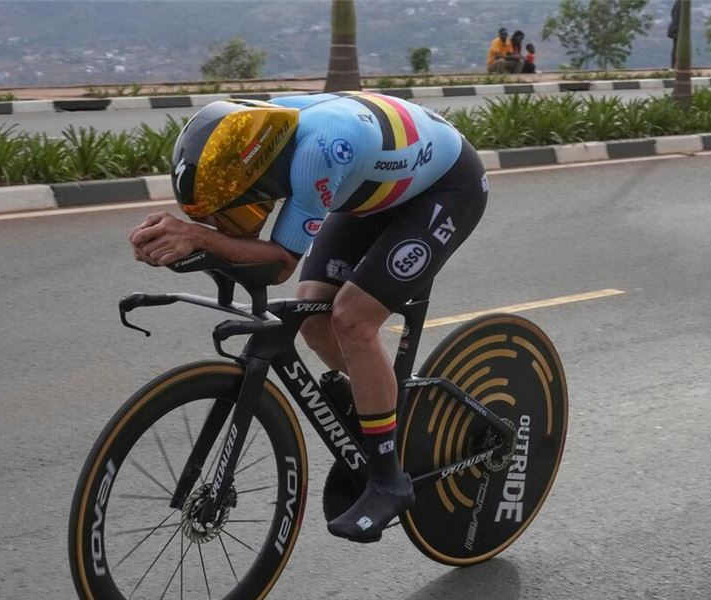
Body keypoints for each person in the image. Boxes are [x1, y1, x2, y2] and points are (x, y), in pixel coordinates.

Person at [129, 93, 488, 542]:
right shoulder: (259, 131)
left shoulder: (315, 156)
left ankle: (388, 479)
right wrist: (191, 242)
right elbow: (247, 250)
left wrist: (198, 238)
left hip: (447, 188)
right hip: (374, 189)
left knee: (353, 320)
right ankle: (378, 405)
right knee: (313, 313)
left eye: (231, 207)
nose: (231, 219)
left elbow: (279, 263)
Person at [668, 0, 682, 69]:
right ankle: (676, 67)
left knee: (676, 48)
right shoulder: (681, 3)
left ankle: (675, 66)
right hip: (678, 29)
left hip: (676, 28)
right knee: (677, 48)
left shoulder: (678, 2)